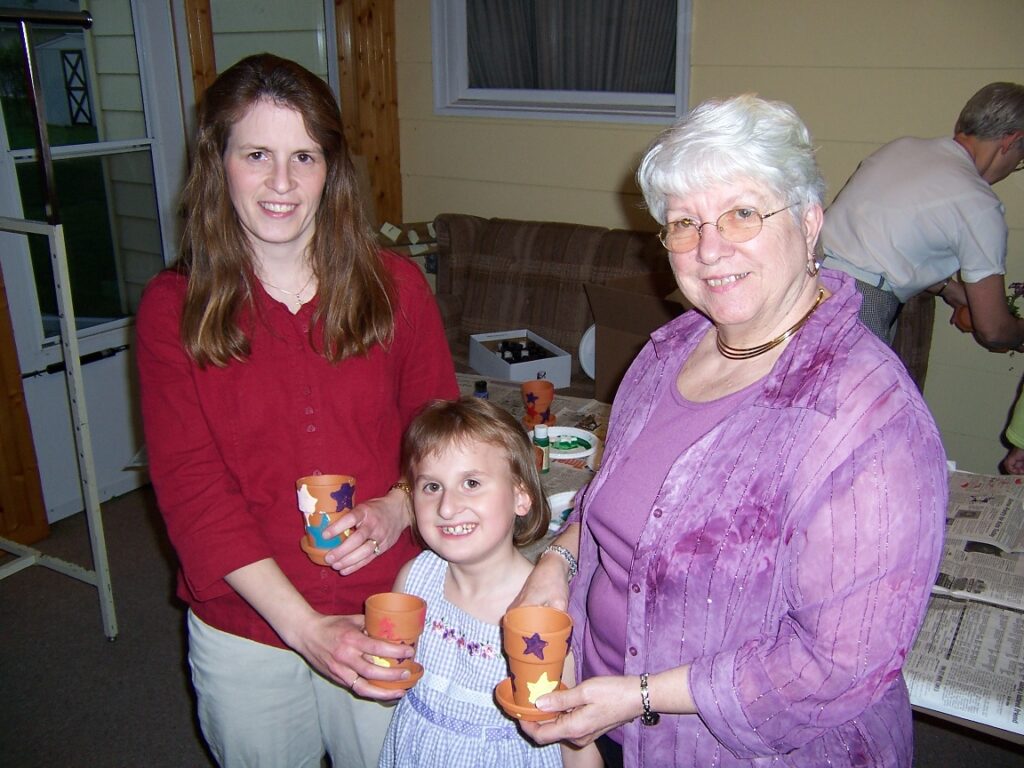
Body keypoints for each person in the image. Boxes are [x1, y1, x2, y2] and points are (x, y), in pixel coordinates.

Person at [511, 94, 948, 767]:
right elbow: (627, 500)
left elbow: (835, 665)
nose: (709, 249)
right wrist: (558, 560)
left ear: (808, 221)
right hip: (599, 718)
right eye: (684, 223)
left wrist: (640, 696)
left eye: (743, 213)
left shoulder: (866, 415)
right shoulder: (668, 352)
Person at [136, 54, 458, 768]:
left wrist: (399, 507)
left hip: (390, 609)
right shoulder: (172, 310)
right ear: (218, 165)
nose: (281, 184)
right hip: (246, 625)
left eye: (303, 157)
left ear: (330, 171)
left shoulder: (398, 289)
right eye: (256, 155)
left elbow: (442, 443)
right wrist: (305, 628)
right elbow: (193, 492)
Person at [378, 396, 598, 768]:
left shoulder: (546, 609)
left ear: (521, 497)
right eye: (431, 487)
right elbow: (393, 692)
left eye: (472, 482)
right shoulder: (414, 579)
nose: (447, 507)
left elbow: (577, 742)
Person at [820, 81, 1024, 346]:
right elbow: (994, 330)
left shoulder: (902, 148)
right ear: (1013, 141)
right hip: (855, 307)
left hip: (800, 282)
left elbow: (882, 246)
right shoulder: (979, 203)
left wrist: (950, 290)